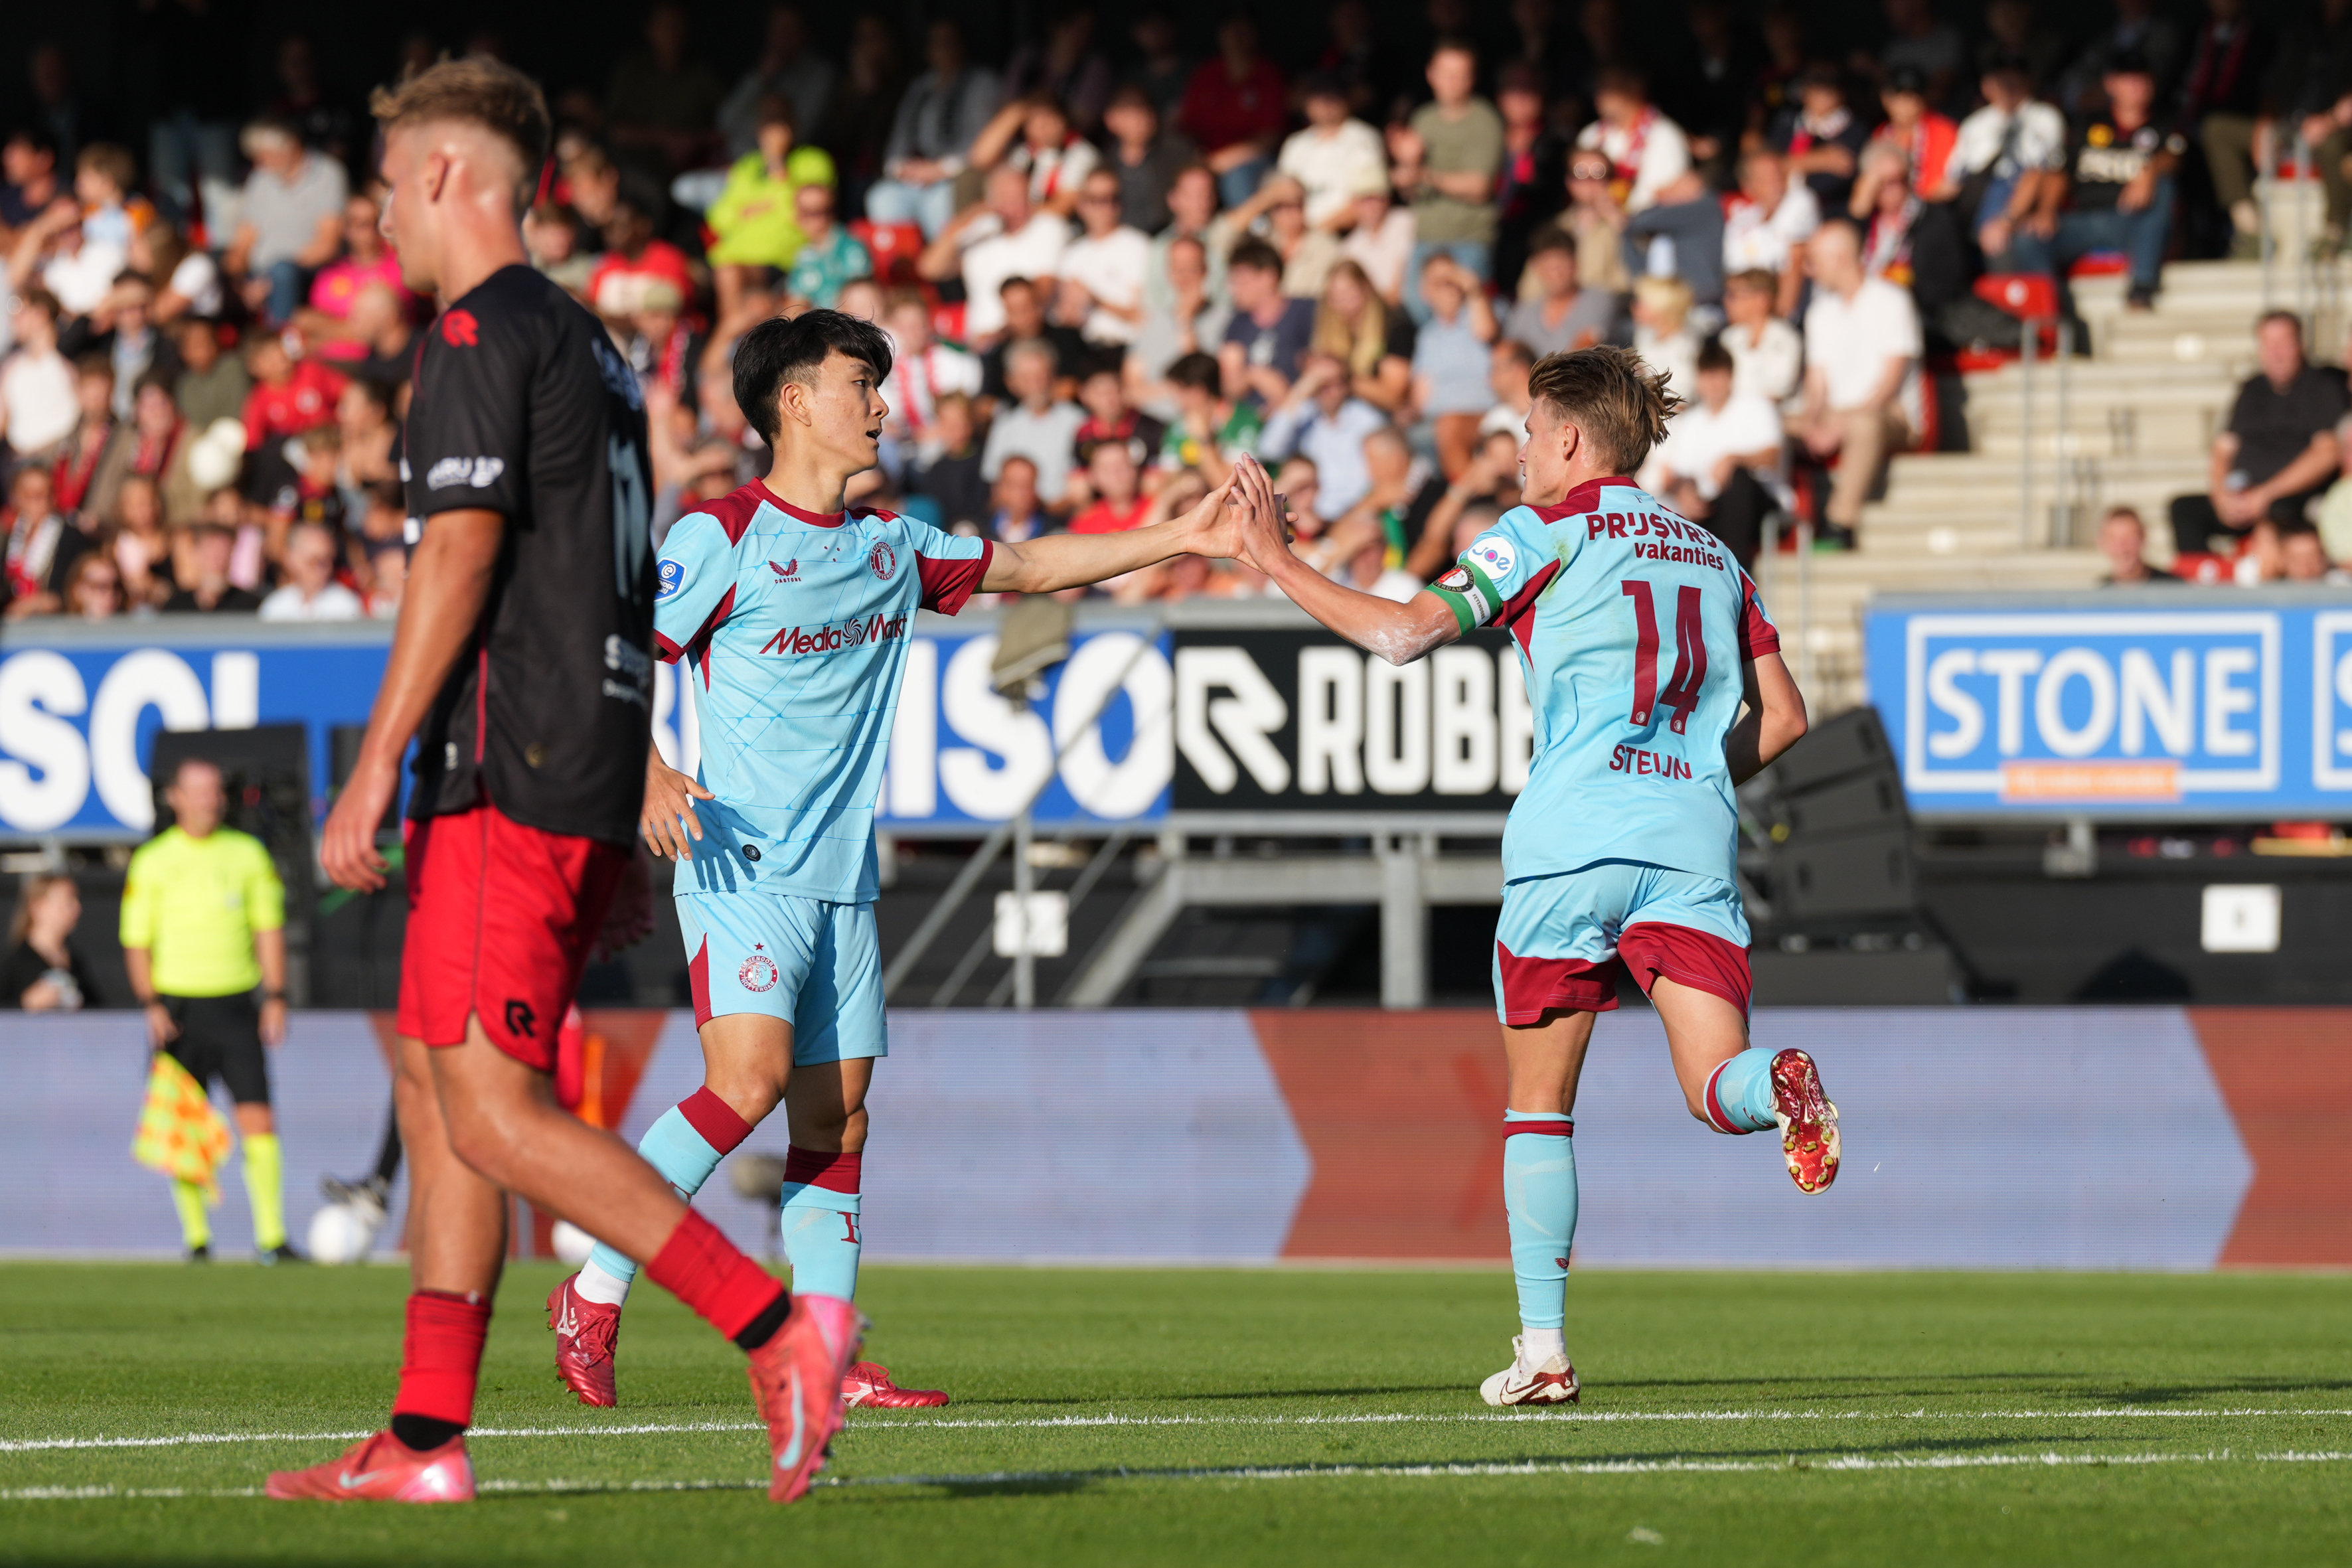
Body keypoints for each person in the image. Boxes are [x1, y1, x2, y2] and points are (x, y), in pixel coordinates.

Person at [273, 58, 861, 1510]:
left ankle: (781, 1326)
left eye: (392, 186)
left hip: (512, 762)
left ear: (448, 179)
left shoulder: (479, 329)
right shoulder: (592, 347)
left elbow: (459, 552)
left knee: (489, 1106)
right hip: (568, 756)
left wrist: (373, 765)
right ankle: (423, 1436)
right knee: (435, 1078)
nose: (383, 223)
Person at [549, 307, 1255, 1413]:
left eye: (880, 386)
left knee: (835, 1123)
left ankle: (822, 1352)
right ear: (793, 401)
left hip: (842, 875)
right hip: (740, 860)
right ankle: (595, 1285)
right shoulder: (719, 532)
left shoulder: (892, 544)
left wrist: (1182, 538)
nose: (881, 405)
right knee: (744, 1086)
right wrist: (643, 769)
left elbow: (1026, 564)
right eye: (858, 385)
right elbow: (622, 653)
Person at [1221, 345, 1828, 1409]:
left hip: (1568, 845)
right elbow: (1783, 719)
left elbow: (1403, 633)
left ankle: (1543, 1350)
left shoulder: (1541, 533)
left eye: (1523, 432)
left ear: (1569, 441)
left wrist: (1274, 559)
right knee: (1712, 1088)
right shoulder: (1716, 558)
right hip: (1686, 846)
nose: (1512, 452)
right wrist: (1688, 778)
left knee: (1539, 1104)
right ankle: (1771, 1082)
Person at [122, 755, 293, 1263]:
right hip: (178, 1009)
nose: (208, 800)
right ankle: (197, 1239)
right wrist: (150, 1003)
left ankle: (271, 1238)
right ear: (174, 797)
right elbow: (137, 941)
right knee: (184, 1128)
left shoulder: (247, 855)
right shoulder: (153, 860)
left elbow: (269, 929)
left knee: (258, 1121)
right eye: (197, 791)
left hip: (236, 1004)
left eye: (215, 791)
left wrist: (277, 996)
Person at [2008, 53, 2180, 311]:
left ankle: (2141, 288)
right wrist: (2046, 210)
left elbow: (2177, 158)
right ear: (2111, 84)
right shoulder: (2088, 124)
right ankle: (2052, 317)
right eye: (2128, 79)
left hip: (2133, 223)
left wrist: (2151, 170)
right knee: (2027, 239)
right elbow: (2060, 172)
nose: (2137, 86)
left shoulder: (2166, 123)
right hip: (2083, 221)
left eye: (2142, 79)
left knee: (2165, 187)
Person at [2171, 311, 2349, 557]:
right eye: (2269, 344)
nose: (2276, 353)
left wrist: (2266, 494)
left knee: (2281, 511)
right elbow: (2223, 450)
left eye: (2284, 343)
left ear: (2301, 344)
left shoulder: (2323, 386)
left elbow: (2327, 453)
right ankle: (2202, 581)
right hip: (2245, 496)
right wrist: (2222, 497)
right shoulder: (2252, 389)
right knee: (2185, 509)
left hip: (2291, 499)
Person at [1794, 222, 1920, 547]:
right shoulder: (1820, 312)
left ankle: (1840, 523)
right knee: (1767, 423)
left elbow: (1890, 383)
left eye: (1815, 260)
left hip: (1890, 413)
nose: (1809, 270)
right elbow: (1817, 383)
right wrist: (1812, 420)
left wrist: (1842, 424)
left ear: (1839, 258)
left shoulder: (1893, 300)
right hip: (1838, 412)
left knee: (1864, 425)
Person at [1650, 339, 1786, 568]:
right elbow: (1679, 473)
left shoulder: (1756, 406)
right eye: (1707, 375)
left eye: (1718, 374)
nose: (1713, 383)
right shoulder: (1691, 422)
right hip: (1710, 506)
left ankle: (1741, 570)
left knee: (1739, 482)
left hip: (1759, 503)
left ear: (1731, 376)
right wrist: (1683, 492)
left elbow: (1772, 457)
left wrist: (1734, 460)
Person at [1397, 40, 1506, 321]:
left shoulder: (1485, 120)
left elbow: (1480, 187)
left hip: (1468, 239)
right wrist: (1405, 168)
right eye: (1446, 73)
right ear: (1431, 75)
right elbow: (1411, 190)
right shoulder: (1423, 118)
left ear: (1473, 78)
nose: (1453, 82)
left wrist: (1424, 174)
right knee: (1417, 307)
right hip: (1426, 236)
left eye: (1461, 74)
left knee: (1466, 316)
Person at [867, 21, 1003, 240]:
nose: (942, 49)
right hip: (916, 176)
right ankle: (901, 269)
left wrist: (941, 169)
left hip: (958, 176)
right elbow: (897, 143)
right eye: (935, 43)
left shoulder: (982, 83)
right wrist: (901, 168)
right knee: (882, 197)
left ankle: (942, 272)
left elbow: (982, 144)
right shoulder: (920, 87)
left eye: (949, 42)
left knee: (939, 203)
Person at [919, 166, 1070, 345]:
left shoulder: (1048, 228)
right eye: (1006, 199)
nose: (1014, 207)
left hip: (1028, 340)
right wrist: (972, 214)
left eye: (1020, 197)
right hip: (981, 341)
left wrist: (999, 336)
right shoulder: (981, 231)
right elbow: (930, 268)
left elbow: (1043, 292)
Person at [224, 118, 348, 327]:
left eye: (266, 156)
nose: (260, 163)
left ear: (291, 148)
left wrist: (269, 279)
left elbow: (327, 245)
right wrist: (239, 279)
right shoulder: (260, 179)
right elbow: (245, 238)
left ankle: (278, 340)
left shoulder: (328, 174)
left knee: (283, 273)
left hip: (301, 270)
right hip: (259, 272)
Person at [1260, 349, 1390, 517]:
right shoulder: (1304, 415)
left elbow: (1368, 482)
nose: (1330, 391)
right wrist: (1301, 390)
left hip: (1353, 514)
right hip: (1307, 515)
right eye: (1322, 384)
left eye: (1337, 382)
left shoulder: (1367, 420)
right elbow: (1269, 448)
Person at [1178, 18, 1287, 208]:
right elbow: (1186, 126)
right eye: (1231, 31)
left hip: (1250, 161)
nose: (1237, 38)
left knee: (1237, 177)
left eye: (1243, 31)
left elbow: (1269, 138)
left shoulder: (1267, 73)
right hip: (1205, 159)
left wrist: (1217, 163)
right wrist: (1197, 158)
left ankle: (1247, 235)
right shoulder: (1207, 73)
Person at [1414, 254, 1502, 478]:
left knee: (1448, 426)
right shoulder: (1428, 335)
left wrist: (1474, 289)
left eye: (1452, 280)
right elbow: (1422, 392)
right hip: (1441, 417)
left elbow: (1486, 332)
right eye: (1439, 283)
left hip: (1482, 409)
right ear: (1425, 291)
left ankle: (1465, 495)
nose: (1449, 288)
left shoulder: (1483, 312)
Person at [1278, 74, 1387, 233]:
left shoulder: (1364, 138)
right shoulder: (1295, 144)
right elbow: (1282, 197)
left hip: (1350, 234)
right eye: (1318, 98)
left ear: (1346, 100)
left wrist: (1315, 235)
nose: (1326, 104)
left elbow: (1369, 201)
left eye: (1333, 98)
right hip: (1300, 236)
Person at [1056, 169, 1150, 349]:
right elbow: (1063, 315)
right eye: (1095, 200)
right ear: (1081, 205)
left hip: (1126, 346)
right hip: (1082, 347)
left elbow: (1144, 316)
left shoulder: (1139, 248)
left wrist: (1095, 301)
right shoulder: (1071, 255)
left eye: (1111, 199)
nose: (1104, 207)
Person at [1219, 240, 1317, 410]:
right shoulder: (1236, 325)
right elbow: (1232, 386)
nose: (1234, 290)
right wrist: (1256, 376)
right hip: (1255, 420)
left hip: (1304, 409)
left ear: (1268, 277)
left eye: (1241, 281)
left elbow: (1318, 366)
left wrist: (1286, 397)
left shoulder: (1307, 312)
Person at [1504, 230, 1615, 359]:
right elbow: (1512, 355)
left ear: (1576, 263)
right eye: (1549, 267)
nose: (1556, 274)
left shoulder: (1598, 300)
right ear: (1535, 267)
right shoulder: (1523, 312)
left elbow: (1585, 350)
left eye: (1562, 265)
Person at [1101, 84, 1196, 236]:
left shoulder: (1177, 152)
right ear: (1111, 120)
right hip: (1122, 241)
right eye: (1132, 114)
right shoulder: (1105, 164)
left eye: (1144, 111)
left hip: (1171, 237)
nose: (1141, 119)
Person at [3, 872, 97, 1010]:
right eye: (68, 901)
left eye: (76, 900)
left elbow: (98, 1010)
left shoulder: (76, 961)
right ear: (38, 907)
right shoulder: (15, 964)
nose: (77, 909)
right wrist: (26, 1004)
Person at [780, 183, 872, 311]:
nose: (799, 219)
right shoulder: (805, 255)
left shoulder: (852, 249)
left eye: (811, 213)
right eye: (801, 211)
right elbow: (795, 302)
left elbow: (860, 303)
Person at [259, 519, 363, 621]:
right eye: (313, 561)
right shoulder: (276, 606)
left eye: (328, 560)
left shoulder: (346, 605)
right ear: (292, 559)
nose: (323, 568)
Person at [2098, 505, 2181, 584]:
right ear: (2102, 542)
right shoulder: (2099, 593)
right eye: (2113, 539)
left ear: (2143, 538)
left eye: (2130, 538)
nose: (2122, 547)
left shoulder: (2172, 588)